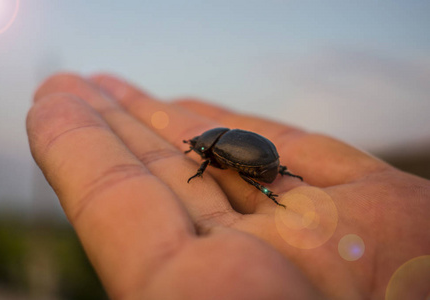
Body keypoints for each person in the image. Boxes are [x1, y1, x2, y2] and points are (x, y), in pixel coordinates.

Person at [27, 73, 430, 299]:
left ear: (207, 147)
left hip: (263, 162)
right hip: (267, 153)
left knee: (247, 177)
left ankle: (274, 192)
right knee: (250, 172)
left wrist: (208, 166)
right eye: (199, 150)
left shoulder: (213, 151)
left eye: (198, 149)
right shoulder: (216, 142)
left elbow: (216, 159)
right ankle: (278, 182)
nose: (196, 151)